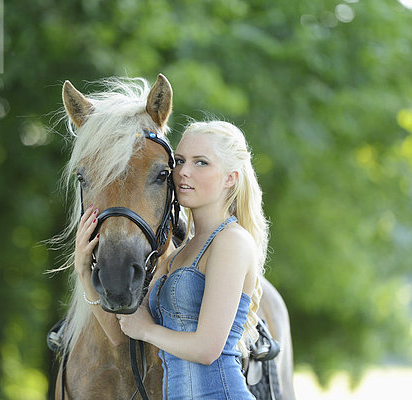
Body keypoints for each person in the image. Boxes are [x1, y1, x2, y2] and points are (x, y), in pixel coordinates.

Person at [75, 120, 269, 399]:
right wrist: (84, 271)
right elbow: (122, 335)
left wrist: (148, 331)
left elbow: (207, 349)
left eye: (201, 163)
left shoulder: (231, 242)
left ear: (231, 178)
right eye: (179, 161)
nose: (184, 172)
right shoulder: (176, 256)